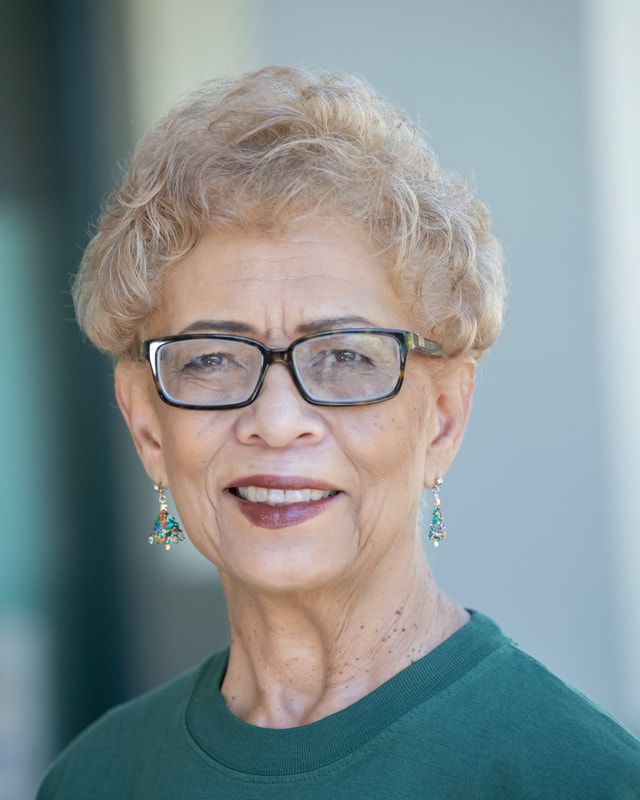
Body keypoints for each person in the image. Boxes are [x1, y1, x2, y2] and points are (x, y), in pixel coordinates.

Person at [37, 65, 640, 798]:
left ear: (443, 419)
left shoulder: (578, 778)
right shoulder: (96, 777)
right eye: (214, 360)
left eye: (347, 357)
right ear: (148, 427)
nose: (276, 422)